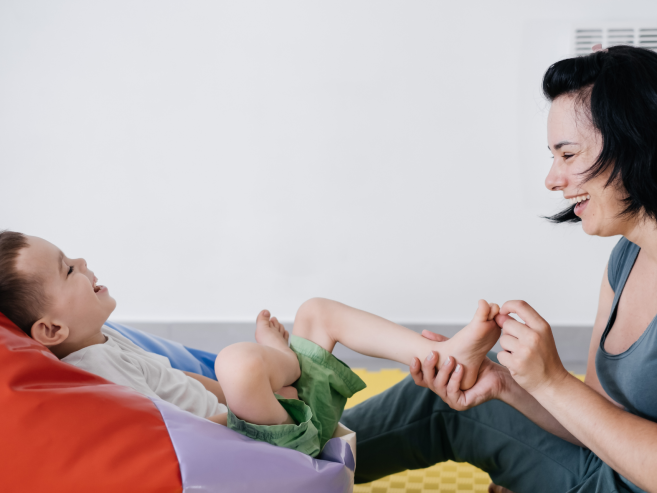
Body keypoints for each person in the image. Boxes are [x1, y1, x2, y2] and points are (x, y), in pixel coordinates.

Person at [341, 45, 657, 493]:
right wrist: (508, 384)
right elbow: (596, 417)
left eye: (567, 155)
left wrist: (552, 382)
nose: (552, 179)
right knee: (456, 389)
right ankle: (277, 463)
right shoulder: (626, 257)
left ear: (636, 142)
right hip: (601, 469)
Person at [0, 231, 501, 457]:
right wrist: (247, 403)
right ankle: (277, 364)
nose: (83, 262)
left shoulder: (111, 341)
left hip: (275, 419)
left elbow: (185, 384)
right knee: (241, 360)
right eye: (68, 268)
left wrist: (252, 397)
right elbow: (170, 434)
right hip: (256, 447)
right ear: (49, 331)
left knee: (316, 311)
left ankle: (443, 354)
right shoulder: (93, 375)